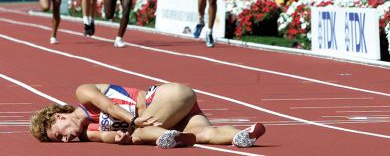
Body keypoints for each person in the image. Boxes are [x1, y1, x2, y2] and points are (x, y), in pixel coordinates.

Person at [30, 83, 266, 148]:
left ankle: (169, 137)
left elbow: (110, 107)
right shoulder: (87, 134)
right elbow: (108, 138)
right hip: (175, 116)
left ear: (59, 117)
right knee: (203, 133)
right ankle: (243, 135)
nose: (64, 141)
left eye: (58, 136)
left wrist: (132, 123)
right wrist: (119, 139)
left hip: (169, 96)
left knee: (140, 132)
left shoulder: (83, 93)